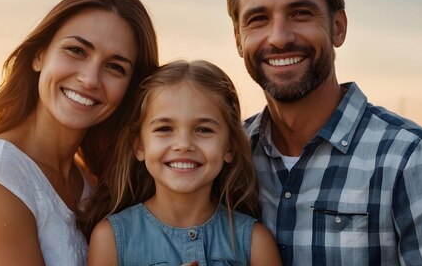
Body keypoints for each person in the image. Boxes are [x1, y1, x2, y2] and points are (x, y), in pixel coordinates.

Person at [223, 0, 422, 265]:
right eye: (258, 19)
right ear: (239, 40)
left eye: (300, 13)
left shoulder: (413, 159)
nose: (280, 37)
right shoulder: (227, 156)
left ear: (338, 27)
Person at [0, 0, 159, 265]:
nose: (90, 79)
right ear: (39, 56)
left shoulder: (90, 184)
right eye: (77, 50)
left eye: (115, 67)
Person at [86, 60, 282, 266]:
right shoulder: (111, 238)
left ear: (229, 148)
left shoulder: (255, 242)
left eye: (203, 130)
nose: (183, 145)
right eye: (164, 129)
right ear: (139, 146)